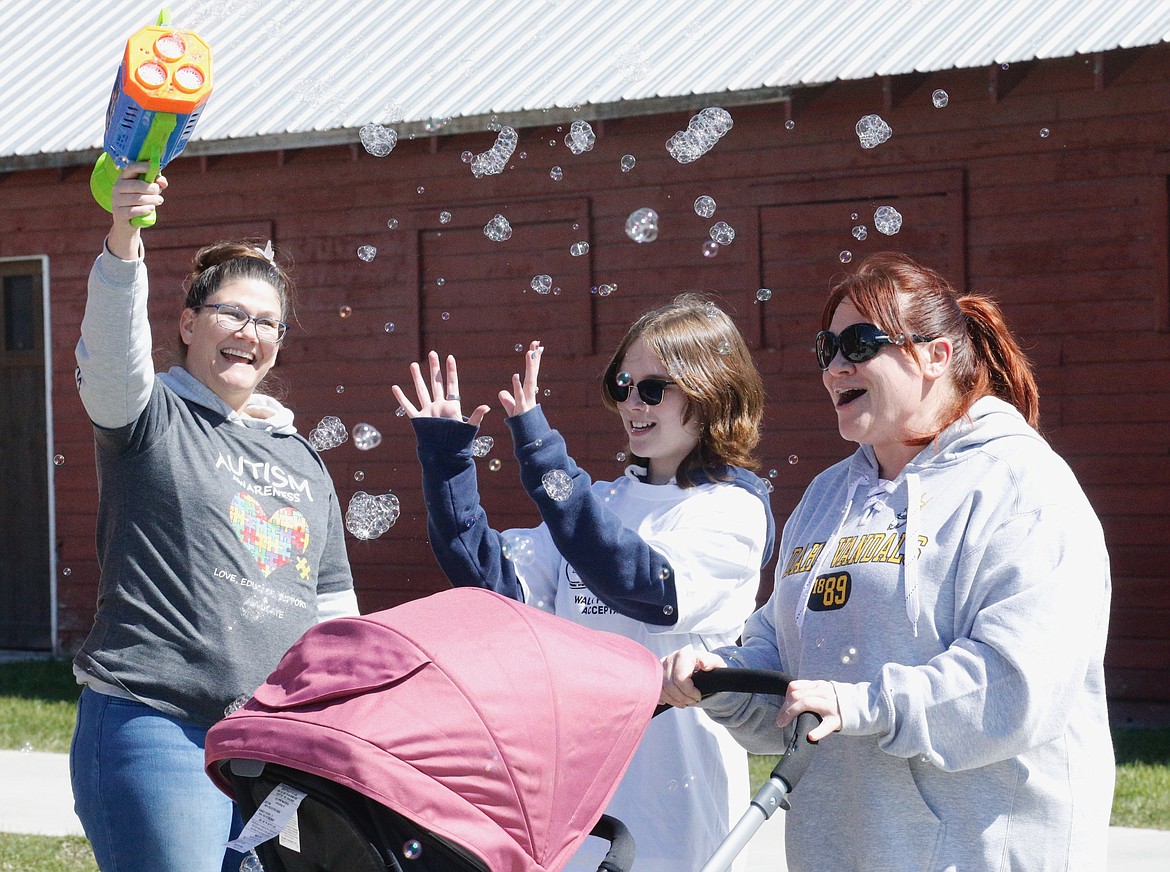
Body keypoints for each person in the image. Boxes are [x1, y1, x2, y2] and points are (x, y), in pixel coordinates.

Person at [661, 252, 1114, 871]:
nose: (835, 367)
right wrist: (723, 679)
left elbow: (1018, 684)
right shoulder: (826, 498)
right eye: (827, 349)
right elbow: (786, 666)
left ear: (936, 356)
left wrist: (863, 705)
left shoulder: (1024, 487)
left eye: (859, 343)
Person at [392, 294, 776, 872]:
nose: (631, 403)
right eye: (623, 385)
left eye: (653, 388)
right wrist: (447, 460)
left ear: (711, 392)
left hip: (683, 811)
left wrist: (540, 448)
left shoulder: (733, 507)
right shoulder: (599, 501)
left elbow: (641, 583)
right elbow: (494, 586)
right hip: (581, 808)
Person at [70, 163, 358, 872]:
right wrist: (124, 237)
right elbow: (111, 353)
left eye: (267, 323)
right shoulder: (149, 418)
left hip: (272, 752)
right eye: (232, 313)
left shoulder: (302, 462)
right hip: (155, 725)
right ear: (189, 323)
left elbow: (333, 619)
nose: (248, 332)